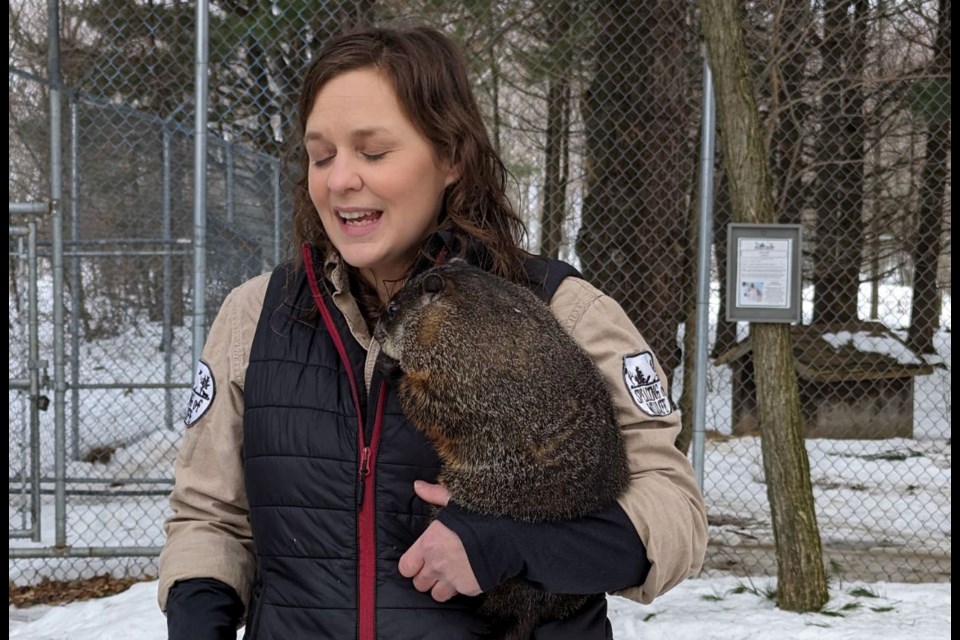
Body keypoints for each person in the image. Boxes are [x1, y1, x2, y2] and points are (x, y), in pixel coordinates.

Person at [158, 25, 707, 640]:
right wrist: (197, 618)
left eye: (372, 152)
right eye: (321, 155)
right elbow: (209, 516)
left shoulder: (562, 311)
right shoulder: (254, 316)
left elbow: (676, 519)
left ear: (451, 157)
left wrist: (508, 543)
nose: (339, 181)